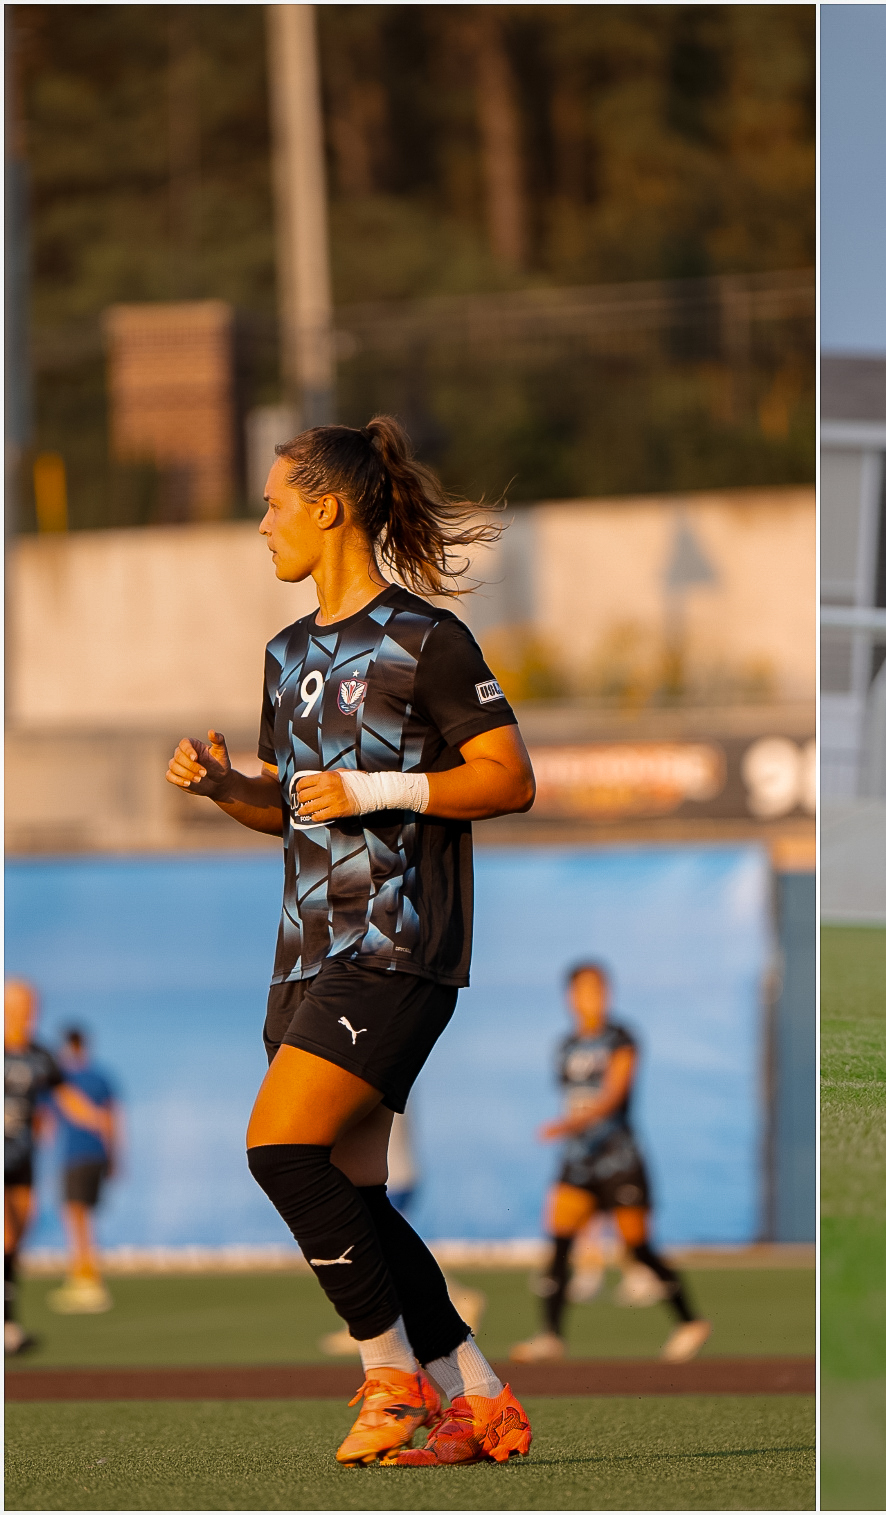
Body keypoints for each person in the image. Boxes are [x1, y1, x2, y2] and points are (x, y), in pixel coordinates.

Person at [163, 416, 539, 1465]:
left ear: (327, 508)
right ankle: (482, 1395)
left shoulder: (428, 640)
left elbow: (509, 780)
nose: (263, 523)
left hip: (395, 946)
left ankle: (390, 1378)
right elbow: (296, 810)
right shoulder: (287, 656)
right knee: (356, 1196)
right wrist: (229, 786)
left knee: (278, 1149)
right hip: (304, 953)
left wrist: (379, 784)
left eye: (274, 502)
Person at [510, 960, 710, 1364]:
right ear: (570, 997)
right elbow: (572, 1094)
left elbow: (614, 1096)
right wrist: (571, 1129)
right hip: (578, 1160)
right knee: (559, 1241)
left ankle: (690, 1321)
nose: (593, 999)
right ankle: (550, 1336)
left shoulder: (621, 1038)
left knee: (637, 1247)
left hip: (619, 1158)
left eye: (599, 990)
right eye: (584, 991)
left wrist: (569, 1124)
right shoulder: (565, 1046)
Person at [4, 982, 103, 1355]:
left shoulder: (38, 1055)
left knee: (15, 1242)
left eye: (31, 1005)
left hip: (22, 1160)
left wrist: (89, 1116)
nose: (27, 1012)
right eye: (19, 1005)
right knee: (6, 1236)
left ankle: (8, 1325)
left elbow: (62, 1094)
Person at [49, 1026, 121, 1316]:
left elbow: (49, 1121)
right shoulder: (100, 1077)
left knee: (75, 1218)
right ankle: (83, 1278)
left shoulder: (61, 1079)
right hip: (96, 1155)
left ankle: (87, 1283)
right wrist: (114, 1155)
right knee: (83, 1217)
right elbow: (113, 1119)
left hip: (76, 1155)